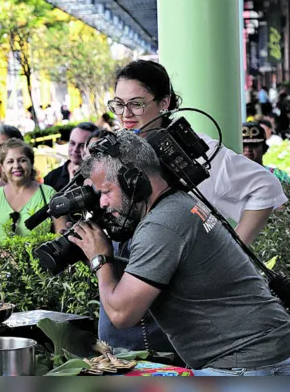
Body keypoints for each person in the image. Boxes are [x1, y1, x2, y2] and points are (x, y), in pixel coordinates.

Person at [71, 130, 290, 375]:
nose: (102, 203)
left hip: (245, 363)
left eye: (106, 191)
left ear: (134, 181)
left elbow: (122, 314)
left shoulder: (161, 224)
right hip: (265, 353)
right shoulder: (178, 204)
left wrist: (99, 258)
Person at [110, 60, 286, 246]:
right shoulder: (118, 152)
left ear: (164, 102)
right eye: (118, 104)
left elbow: (266, 186)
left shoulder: (198, 151)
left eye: (136, 104)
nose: (125, 114)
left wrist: (232, 253)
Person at [0, 139, 65, 244]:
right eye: (10, 161)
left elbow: (62, 234)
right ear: (2, 167)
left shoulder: (48, 194)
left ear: (31, 163)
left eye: (22, 160)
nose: (16, 166)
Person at [43, 122, 98, 192]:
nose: (75, 149)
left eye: (82, 145)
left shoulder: (100, 176)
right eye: (72, 143)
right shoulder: (51, 178)